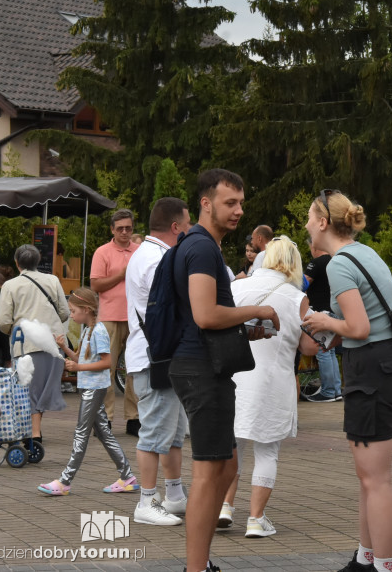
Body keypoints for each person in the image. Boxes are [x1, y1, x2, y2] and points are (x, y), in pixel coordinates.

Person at [170, 169, 280, 572]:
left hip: (205, 365)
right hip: (200, 369)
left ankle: (200, 561)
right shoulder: (201, 249)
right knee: (209, 471)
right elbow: (204, 314)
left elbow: (203, 316)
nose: (239, 210)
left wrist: (246, 329)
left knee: (227, 467)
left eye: (241, 202)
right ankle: (195, 568)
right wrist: (260, 309)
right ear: (206, 202)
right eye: (230, 202)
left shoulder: (204, 247)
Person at [302, 189, 392, 572]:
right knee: (370, 476)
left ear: (322, 222)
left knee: (376, 479)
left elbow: (359, 327)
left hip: (372, 370)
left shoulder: (337, 264)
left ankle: (383, 565)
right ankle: (366, 559)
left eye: (308, 217)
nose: (305, 225)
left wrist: (325, 322)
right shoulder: (366, 253)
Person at [223, 236, 319, 538]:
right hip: (272, 382)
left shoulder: (236, 288)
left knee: (231, 448)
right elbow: (308, 346)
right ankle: (256, 518)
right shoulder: (295, 297)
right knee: (267, 452)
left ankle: (224, 507)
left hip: (233, 377)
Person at [125, 197, 192, 526]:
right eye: (188, 224)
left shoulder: (153, 255)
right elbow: (171, 308)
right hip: (155, 358)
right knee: (154, 433)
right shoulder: (155, 259)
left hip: (159, 356)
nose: (191, 230)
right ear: (176, 227)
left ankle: (175, 495)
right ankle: (146, 502)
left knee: (173, 432)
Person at [38, 288, 139, 496]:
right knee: (104, 434)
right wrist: (65, 349)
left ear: (86, 310)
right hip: (90, 388)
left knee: (81, 434)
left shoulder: (98, 331)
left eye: (74, 311)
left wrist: (78, 368)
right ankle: (128, 476)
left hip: (93, 389)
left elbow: (106, 362)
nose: (72, 315)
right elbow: (81, 360)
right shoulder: (87, 330)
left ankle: (65, 481)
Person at [0, 244, 70, 446]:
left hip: (25, 343)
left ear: (17, 263)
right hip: (52, 344)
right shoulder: (53, 280)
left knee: (27, 391)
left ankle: (32, 434)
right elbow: (64, 312)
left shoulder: (10, 286)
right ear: (38, 262)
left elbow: (2, 321)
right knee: (40, 390)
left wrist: (12, 329)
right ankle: (34, 433)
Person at [90, 208, 141, 435]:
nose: (124, 232)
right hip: (110, 317)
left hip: (135, 318)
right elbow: (96, 285)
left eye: (128, 228)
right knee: (106, 369)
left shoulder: (140, 251)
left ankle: (134, 418)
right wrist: (121, 275)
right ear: (112, 229)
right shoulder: (102, 252)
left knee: (135, 368)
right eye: (120, 228)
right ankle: (105, 419)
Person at [303, 241, 342, 402]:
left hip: (320, 312)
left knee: (322, 351)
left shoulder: (316, 263)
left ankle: (327, 391)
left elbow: (302, 283)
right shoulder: (335, 260)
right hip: (334, 310)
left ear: (315, 247)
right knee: (330, 351)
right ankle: (336, 390)